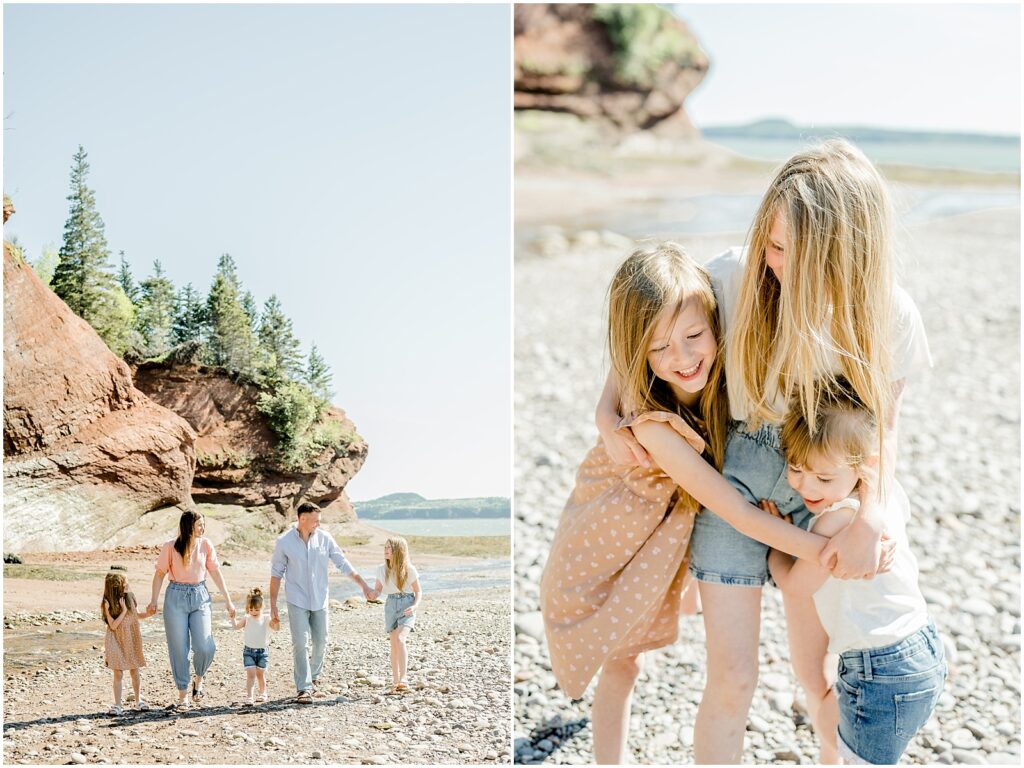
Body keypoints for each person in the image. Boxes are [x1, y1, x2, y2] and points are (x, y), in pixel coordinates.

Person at [598, 140, 931, 762]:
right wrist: (606, 406)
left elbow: (883, 434)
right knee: (733, 680)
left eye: (795, 252)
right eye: (770, 242)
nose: (775, 262)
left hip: (818, 484)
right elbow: (653, 328)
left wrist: (872, 517)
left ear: (847, 250)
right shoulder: (733, 275)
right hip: (735, 481)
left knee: (817, 672)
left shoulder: (889, 314)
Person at [542, 243, 838, 764]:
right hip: (616, 538)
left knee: (652, 634)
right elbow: (735, 511)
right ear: (639, 352)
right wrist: (821, 547)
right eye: (658, 349)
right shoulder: (653, 422)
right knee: (623, 659)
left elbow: (651, 334)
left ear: (716, 325)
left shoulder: (719, 363)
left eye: (694, 337)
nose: (680, 358)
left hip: (671, 524)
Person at [765, 380, 945, 764]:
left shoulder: (832, 522)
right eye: (795, 468)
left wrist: (777, 548)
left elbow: (796, 585)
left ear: (863, 466)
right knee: (845, 739)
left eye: (823, 478)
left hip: (879, 668)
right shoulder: (887, 493)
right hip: (923, 645)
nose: (805, 485)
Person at [269, 501, 374, 703]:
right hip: (296, 598)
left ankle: (314, 677)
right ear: (302, 519)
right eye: (316, 520)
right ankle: (304, 688)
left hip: (320, 599)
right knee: (300, 643)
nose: (319, 523)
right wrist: (272, 605)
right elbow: (276, 574)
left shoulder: (325, 538)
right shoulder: (284, 541)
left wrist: (363, 585)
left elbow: (342, 563)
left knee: (321, 642)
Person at [148, 509, 236, 711]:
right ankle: (183, 695)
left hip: (200, 596)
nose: (203, 528)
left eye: (204, 524)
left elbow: (215, 572)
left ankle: (199, 678)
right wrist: (154, 600)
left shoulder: (206, 544)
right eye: (199, 525)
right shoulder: (170, 547)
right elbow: (159, 574)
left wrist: (228, 601)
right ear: (188, 526)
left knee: (206, 646)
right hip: (175, 597)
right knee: (179, 649)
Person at [368, 537, 422, 693]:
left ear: (398, 550)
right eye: (385, 547)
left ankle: (404, 678)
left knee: (400, 639)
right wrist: (373, 594)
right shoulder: (381, 569)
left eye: (389, 547)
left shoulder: (409, 569)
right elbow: (377, 590)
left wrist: (415, 606)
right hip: (391, 605)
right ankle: (395, 680)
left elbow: (418, 591)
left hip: (407, 604)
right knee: (393, 644)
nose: (385, 550)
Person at [102, 565, 156, 715]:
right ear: (116, 585)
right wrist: (123, 611)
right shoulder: (107, 602)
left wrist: (149, 614)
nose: (127, 584)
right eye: (125, 582)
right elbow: (113, 625)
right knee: (118, 673)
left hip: (131, 637)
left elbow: (137, 615)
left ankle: (138, 700)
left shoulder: (130, 596)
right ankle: (117, 705)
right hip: (115, 639)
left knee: (134, 669)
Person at [230, 586, 276, 705]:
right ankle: (249, 697)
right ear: (247, 609)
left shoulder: (266, 618)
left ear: (262, 608)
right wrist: (232, 618)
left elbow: (275, 628)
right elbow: (236, 627)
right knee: (251, 674)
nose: (254, 612)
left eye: (257, 610)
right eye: (251, 609)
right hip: (248, 651)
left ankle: (263, 694)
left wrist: (276, 621)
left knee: (260, 675)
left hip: (262, 652)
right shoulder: (247, 618)